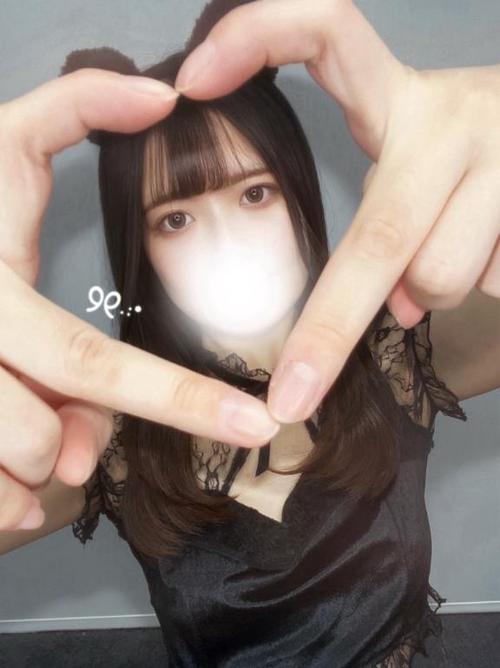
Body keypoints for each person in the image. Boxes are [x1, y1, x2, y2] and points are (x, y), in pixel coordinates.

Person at [0, 0, 498, 665]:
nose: (227, 245)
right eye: (176, 220)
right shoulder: (98, 435)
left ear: (298, 194)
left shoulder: (397, 345)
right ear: (141, 250)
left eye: (254, 194)